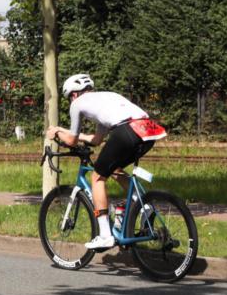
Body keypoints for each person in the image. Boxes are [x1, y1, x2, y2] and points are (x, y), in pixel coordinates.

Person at [45, 74, 167, 250]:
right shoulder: (106, 98)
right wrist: (63, 130)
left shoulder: (77, 103)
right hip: (148, 129)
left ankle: (104, 235)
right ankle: (143, 206)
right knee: (114, 169)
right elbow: (96, 139)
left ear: (73, 94)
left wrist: (56, 133)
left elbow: (71, 140)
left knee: (97, 177)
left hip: (126, 130)